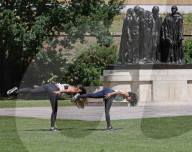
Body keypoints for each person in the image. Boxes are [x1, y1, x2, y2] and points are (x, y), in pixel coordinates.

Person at [7, 83, 86, 131]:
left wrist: (40, 87)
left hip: (48, 86)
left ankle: (17, 91)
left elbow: (68, 91)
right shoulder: (72, 89)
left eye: (79, 88)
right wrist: (59, 91)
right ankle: (52, 128)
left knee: (31, 91)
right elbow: (68, 91)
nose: (77, 88)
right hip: (54, 90)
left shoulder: (71, 88)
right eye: (78, 88)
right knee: (54, 110)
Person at [71, 88, 138, 131]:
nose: (129, 101)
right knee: (107, 111)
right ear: (131, 97)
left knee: (92, 95)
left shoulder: (126, 95)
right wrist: (110, 94)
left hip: (106, 90)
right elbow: (119, 92)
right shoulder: (127, 94)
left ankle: (78, 96)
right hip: (110, 94)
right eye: (131, 100)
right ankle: (109, 127)